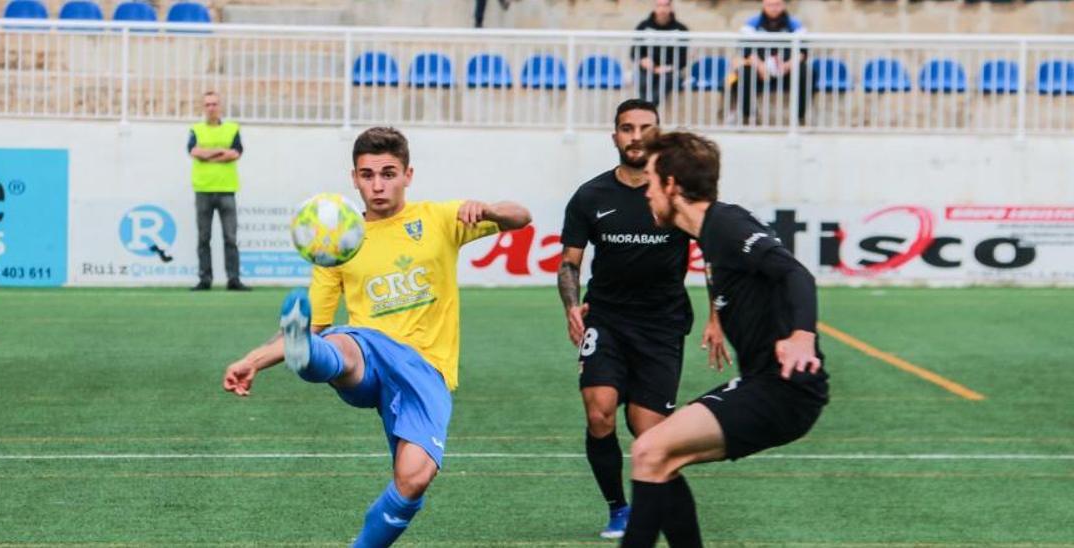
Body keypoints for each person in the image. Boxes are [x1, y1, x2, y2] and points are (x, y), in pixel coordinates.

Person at [222, 127, 532, 547]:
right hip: (368, 353)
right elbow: (314, 324)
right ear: (354, 178)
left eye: (388, 173)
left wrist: (491, 209)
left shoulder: (438, 218)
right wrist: (253, 360)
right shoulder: (342, 240)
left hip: (427, 369)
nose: (378, 185)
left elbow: (522, 216)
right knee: (340, 344)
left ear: (408, 174)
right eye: (368, 175)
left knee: (413, 479)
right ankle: (307, 359)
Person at [619, 131, 830, 547]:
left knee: (649, 451)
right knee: (660, 456)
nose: (646, 191)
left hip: (786, 388)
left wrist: (802, 335)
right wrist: (719, 317)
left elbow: (795, 273)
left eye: (651, 178)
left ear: (672, 185)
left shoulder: (728, 224)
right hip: (765, 383)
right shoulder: (711, 232)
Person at [558, 99, 723, 540]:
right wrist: (572, 305)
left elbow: (713, 254)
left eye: (644, 127)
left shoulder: (675, 193)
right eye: (627, 128)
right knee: (600, 415)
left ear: (657, 134)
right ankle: (618, 510)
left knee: (648, 431)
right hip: (606, 320)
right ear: (615, 136)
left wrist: (715, 317)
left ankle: (660, 512)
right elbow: (570, 263)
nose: (635, 136)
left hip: (662, 325)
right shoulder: (590, 196)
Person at [188, 91, 249, 291]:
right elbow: (194, 152)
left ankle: (233, 279)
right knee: (203, 238)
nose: (211, 108)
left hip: (226, 190)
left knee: (230, 238)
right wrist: (220, 152)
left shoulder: (232, 129)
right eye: (207, 104)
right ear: (203, 107)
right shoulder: (196, 129)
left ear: (220, 106)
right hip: (203, 190)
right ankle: (205, 279)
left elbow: (235, 153)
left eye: (214, 104)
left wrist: (207, 155)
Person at [733, 0, 809, 125]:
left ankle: (799, 117)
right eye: (770, 5)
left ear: (784, 5)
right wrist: (761, 67)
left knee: (805, 71)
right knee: (743, 72)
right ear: (763, 4)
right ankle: (748, 116)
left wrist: (786, 66)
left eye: (777, 4)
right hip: (760, 70)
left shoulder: (795, 24)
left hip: (787, 69)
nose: (774, 8)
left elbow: (802, 52)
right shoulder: (752, 24)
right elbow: (746, 50)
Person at [631, 0, 689, 105]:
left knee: (666, 80)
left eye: (665, 5)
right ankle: (649, 111)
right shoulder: (643, 26)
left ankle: (648, 109)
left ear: (671, 7)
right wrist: (643, 60)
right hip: (647, 70)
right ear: (654, 7)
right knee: (642, 79)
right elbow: (634, 52)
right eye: (659, 5)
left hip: (670, 72)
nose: (662, 9)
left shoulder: (681, 29)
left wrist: (668, 68)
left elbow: (683, 59)